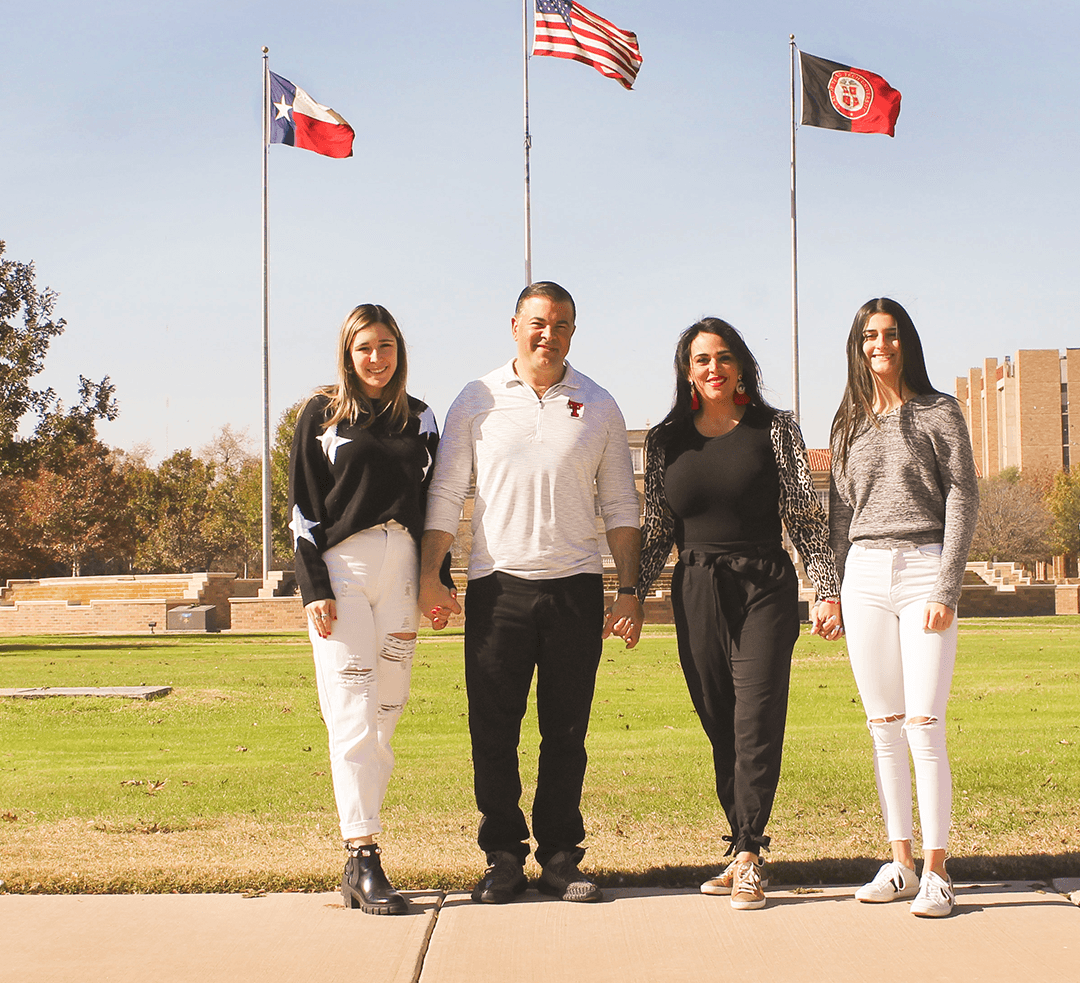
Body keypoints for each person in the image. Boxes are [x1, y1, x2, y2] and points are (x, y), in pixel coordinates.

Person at [419, 281, 643, 905]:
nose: (550, 335)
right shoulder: (477, 399)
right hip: (497, 588)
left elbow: (621, 505)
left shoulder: (598, 404)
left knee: (565, 733)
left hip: (575, 588)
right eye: (539, 323)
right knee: (493, 732)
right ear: (514, 325)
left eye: (563, 325)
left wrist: (629, 589)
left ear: (574, 331)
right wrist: (432, 574)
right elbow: (445, 495)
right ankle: (502, 857)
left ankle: (562, 857)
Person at [635, 317, 843, 910]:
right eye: (701, 360)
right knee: (718, 716)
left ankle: (750, 851)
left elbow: (804, 516)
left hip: (763, 585)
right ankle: (740, 843)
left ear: (742, 365)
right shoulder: (667, 437)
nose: (713, 369)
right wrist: (630, 593)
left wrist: (824, 588)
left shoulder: (775, 429)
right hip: (696, 585)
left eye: (724, 358)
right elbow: (656, 528)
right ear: (687, 372)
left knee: (755, 713)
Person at [288, 303, 443, 915]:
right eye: (364, 348)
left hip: (401, 567)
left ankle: (358, 859)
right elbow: (303, 505)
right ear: (347, 354)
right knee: (351, 710)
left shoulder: (422, 418)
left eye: (385, 346)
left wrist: (438, 578)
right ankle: (364, 852)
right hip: (343, 570)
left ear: (399, 349)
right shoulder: (322, 414)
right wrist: (314, 585)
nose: (376, 359)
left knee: (385, 710)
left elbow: (433, 503)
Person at [828, 297, 979, 919]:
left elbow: (963, 495)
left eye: (889, 335)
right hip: (863, 572)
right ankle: (900, 862)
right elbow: (839, 515)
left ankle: (939, 871)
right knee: (883, 728)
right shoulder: (846, 422)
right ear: (858, 345)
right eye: (869, 336)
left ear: (906, 341)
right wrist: (830, 589)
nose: (879, 345)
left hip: (922, 567)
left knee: (924, 724)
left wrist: (946, 586)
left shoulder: (940, 411)